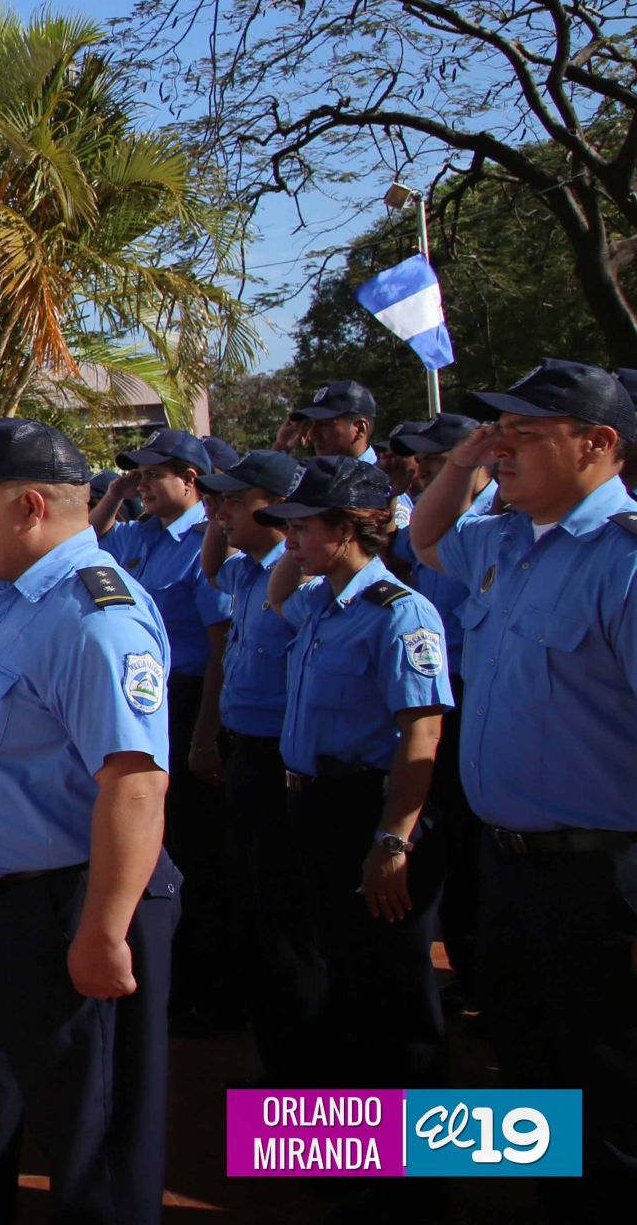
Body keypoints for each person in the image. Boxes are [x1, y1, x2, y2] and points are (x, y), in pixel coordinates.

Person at [0, 418, 180, 1225]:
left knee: (91, 1144)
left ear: (31, 506)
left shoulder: (93, 615)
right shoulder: (16, 596)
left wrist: (103, 932)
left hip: (68, 905)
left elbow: (134, 784)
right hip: (0, 907)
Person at [415, 359, 637, 1219]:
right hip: (509, 865)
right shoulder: (507, 538)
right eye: (500, 432)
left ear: (600, 444)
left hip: (601, 878)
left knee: (610, 1086)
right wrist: (463, 460)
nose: (505, 451)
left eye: (527, 435)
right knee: (533, 1080)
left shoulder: (621, 560)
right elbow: (427, 539)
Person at [259, 455, 453, 1095]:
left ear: (345, 528)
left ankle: (412, 1186)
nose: (290, 541)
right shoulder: (320, 602)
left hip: (368, 809)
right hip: (314, 807)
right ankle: (363, 1164)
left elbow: (421, 733)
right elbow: (276, 595)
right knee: (344, 981)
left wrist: (392, 841)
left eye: (304, 527)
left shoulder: (401, 612)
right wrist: (303, 532)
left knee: (394, 993)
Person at [187, 448, 321, 1082]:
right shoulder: (245, 572)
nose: (219, 511)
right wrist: (221, 513)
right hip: (245, 755)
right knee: (254, 914)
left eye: (236, 501)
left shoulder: (301, 577)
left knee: (291, 932)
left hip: (285, 770)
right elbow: (212, 565)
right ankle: (277, 1060)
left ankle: (306, 1083)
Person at [93, 427, 232, 1032]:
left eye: (154, 475)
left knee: (195, 856)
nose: (144, 485)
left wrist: (204, 734)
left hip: (187, 699)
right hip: (139, 700)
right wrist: (118, 492)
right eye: (139, 475)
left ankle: (204, 990)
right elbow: (81, 542)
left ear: (191, 480)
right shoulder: (135, 533)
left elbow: (220, 644)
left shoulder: (208, 542)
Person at [385, 411, 493, 1002]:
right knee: (446, 838)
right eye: (424, 463)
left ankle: (479, 977)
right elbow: (412, 549)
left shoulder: (498, 522)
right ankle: (471, 971)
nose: (424, 471)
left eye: (436, 459)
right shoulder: (454, 524)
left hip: (476, 694)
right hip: (442, 699)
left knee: (475, 847)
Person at [291, 379, 383, 465]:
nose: (312, 435)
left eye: (324, 424)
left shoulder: (387, 479)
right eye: (312, 424)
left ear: (360, 429)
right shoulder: (316, 477)